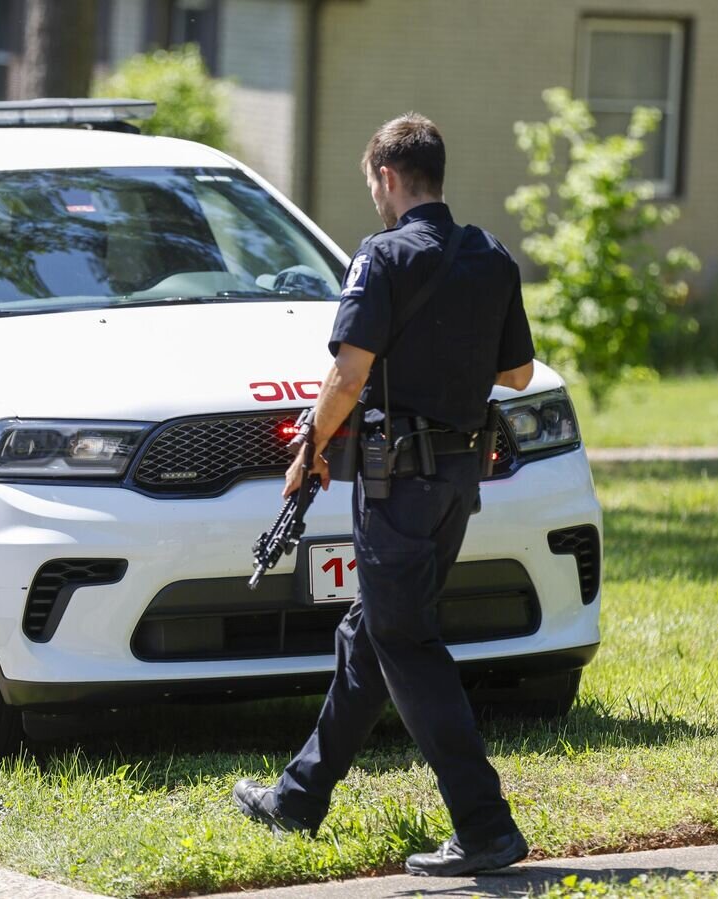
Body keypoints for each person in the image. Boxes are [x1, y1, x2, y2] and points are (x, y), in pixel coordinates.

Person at [232, 113, 537, 877]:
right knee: (371, 635)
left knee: (405, 641)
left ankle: (485, 824)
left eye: (373, 181)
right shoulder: (490, 257)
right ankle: (299, 795)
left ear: (389, 178)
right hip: (457, 483)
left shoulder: (383, 257)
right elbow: (519, 373)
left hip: (397, 484)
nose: (374, 193)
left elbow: (348, 374)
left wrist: (308, 450)